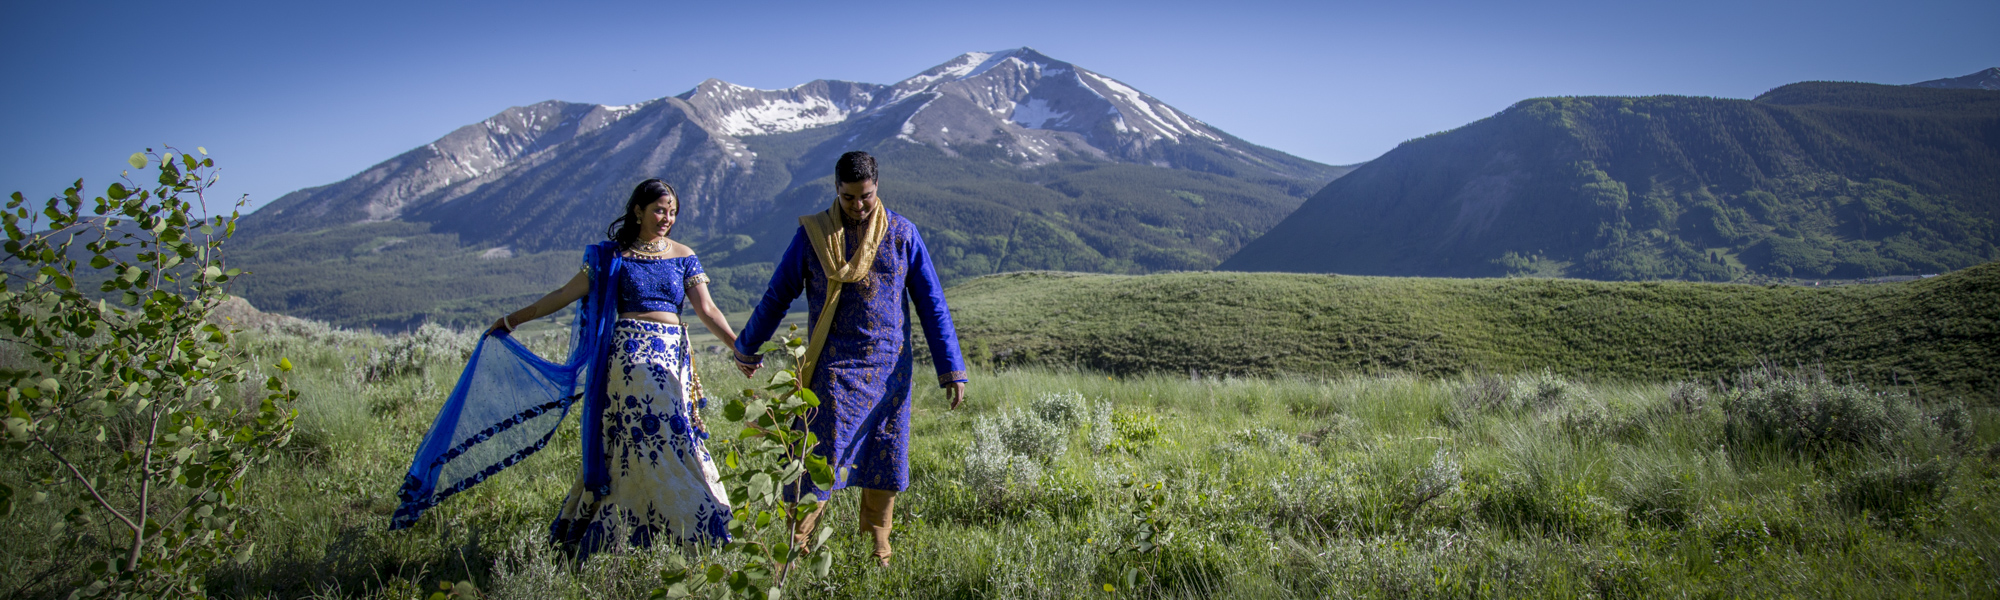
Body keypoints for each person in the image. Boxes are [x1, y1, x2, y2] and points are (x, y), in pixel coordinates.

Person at [390, 179, 736, 561]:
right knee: (644, 438)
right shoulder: (612, 257)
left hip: (672, 358)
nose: (666, 218)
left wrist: (740, 348)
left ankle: (671, 524)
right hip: (628, 358)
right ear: (638, 210)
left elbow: (708, 310)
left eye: (672, 212)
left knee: (675, 435)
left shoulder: (684, 255)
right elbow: (563, 294)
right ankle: (683, 526)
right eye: (659, 210)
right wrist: (513, 319)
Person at [733, 151, 968, 567]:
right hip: (832, 372)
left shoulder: (902, 233)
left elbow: (931, 303)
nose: (858, 206)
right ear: (835, 190)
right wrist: (748, 345)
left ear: (877, 187)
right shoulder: (813, 237)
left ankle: (876, 548)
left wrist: (951, 369)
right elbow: (778, 294)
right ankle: (797, 547)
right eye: (848, 198)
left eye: (866, 196)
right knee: (818, 458)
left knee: (886, 457)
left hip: (889, 373)